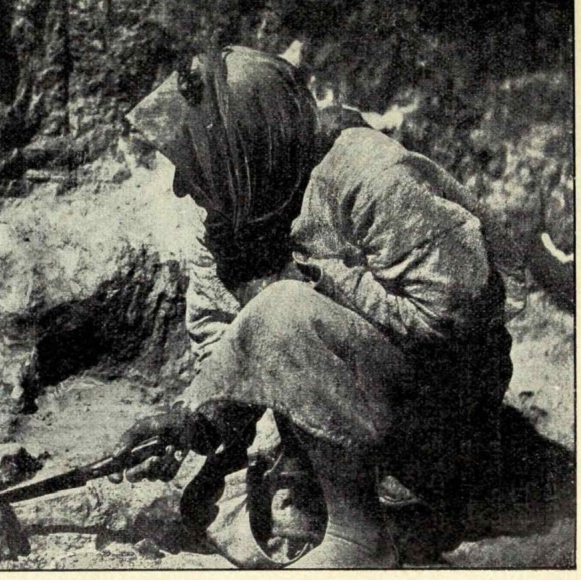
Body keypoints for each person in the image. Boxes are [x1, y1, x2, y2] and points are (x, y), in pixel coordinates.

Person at [110, 44, 515, 568]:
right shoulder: (234, 211)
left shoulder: (370, 175)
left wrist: (319, 277)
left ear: (249, 145)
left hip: (443, 412)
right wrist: (197, 420)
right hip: (349, 407)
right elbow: (229, 344)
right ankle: (323, 489)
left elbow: (456, 319)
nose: (182, 187)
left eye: (199, 163)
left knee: (282, 310)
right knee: (211, 503)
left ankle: (360, 537)